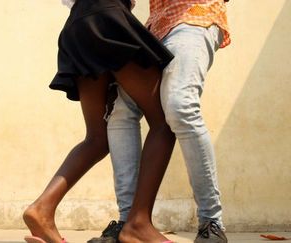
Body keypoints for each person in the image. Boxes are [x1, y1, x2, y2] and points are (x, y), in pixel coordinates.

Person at [23, 0, 176, 242]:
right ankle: (139, 223)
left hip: (77, 24)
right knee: (164, 123)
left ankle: (42, 208)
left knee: (96, 138)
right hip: (108, 16)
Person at [89, 0, 231, 243]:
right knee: (120, 111)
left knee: (180, 106)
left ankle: (211, 220)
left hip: (194, 17)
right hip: (154, 27)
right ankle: (128, 222)